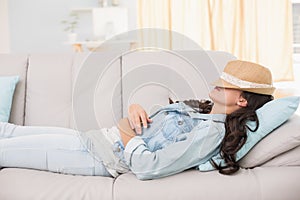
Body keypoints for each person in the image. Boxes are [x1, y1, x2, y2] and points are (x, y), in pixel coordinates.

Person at [0, 60, 275, 180]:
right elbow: (147, 122)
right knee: (8, 131)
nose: (218, 83)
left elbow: (149, 166)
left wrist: (125, 131)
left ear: (242, 100)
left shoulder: (211, 135)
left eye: (228, 84)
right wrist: (133, 109)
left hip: (96, 157)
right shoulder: (198, 111)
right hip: (93, 138)